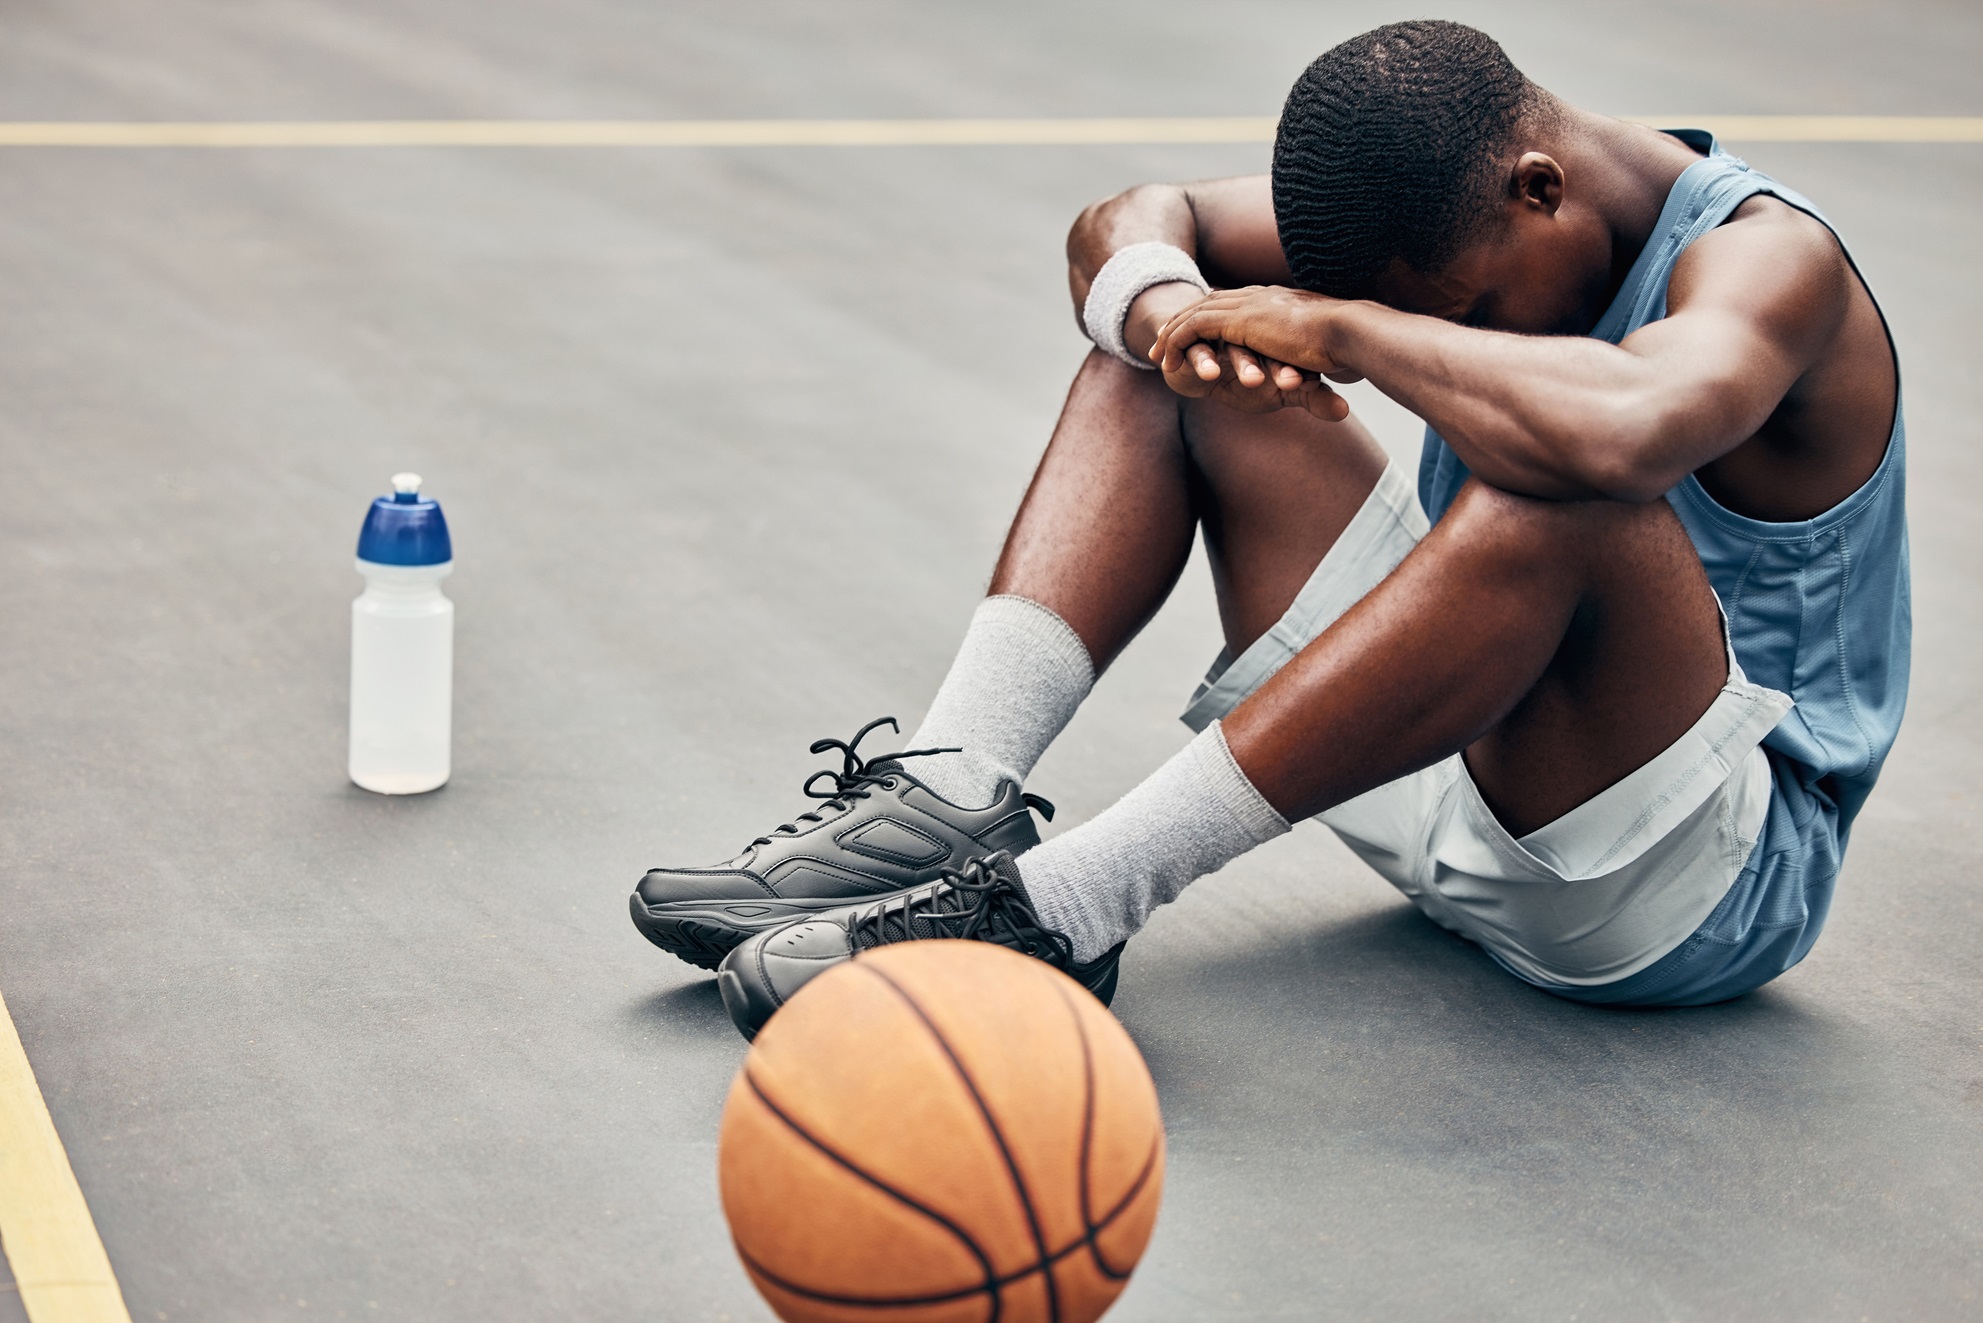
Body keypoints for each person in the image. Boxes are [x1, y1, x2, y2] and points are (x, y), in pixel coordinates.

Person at [630, 20, 1908, 1040]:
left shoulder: (1772, 262)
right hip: (1443, 767)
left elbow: (1632, 432)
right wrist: (1171, 312)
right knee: (1165, 356)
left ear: (1541, 188)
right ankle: (950, 791)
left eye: (1475, 309)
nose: (1472, 337)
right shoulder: (1462, 212)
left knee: (1562, 487)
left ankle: (1060, 915)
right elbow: (1128, 219)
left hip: (1687, 890)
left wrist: (1347, 330)